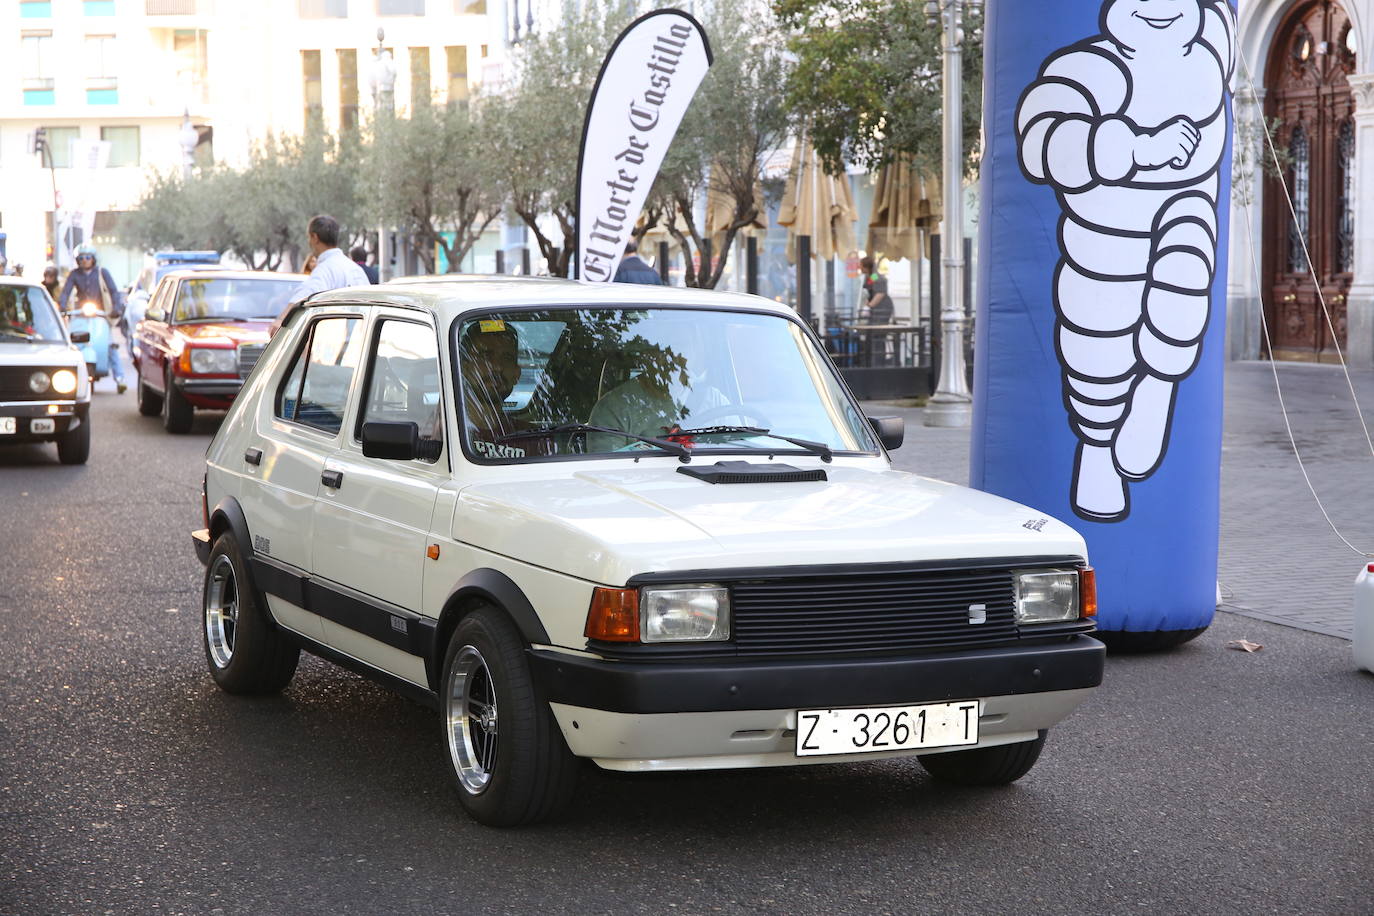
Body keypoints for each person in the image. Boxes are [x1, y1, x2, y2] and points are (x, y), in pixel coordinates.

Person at [274, 214, 369, 333]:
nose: (309, 242)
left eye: (309, 237)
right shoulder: (356, 270)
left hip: (335, 345)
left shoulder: (325, 270)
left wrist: (281, 320)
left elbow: (304, 296)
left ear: (315, 237)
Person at [58, 244, 127, 393]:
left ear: (93, 259)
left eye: (88, 257)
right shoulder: (74, 274)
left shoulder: (102, 273)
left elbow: (114, 292)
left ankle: (120, 378)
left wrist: (116, 308)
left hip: (101, 315)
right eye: (81, 258)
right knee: (73, 343)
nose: (84, 260)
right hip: (80, 314)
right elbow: (65, 292)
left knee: (110, 344)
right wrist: (62, 306)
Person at [458, 320, 530, 459]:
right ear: (464, 368)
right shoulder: (443, 434)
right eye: (485, 356)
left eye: (507, 358)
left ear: (517, 373)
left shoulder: (533, 438)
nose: (497, 366)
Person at [860, 256, 893, 324]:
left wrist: (869, 306)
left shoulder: (877, 277)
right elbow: (868, 288)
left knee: (877, 329)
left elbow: (880, 293)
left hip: (882, 308)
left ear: (867, 267)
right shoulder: (871, 277)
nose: (860, 268)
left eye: (861, 266)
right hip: (875, 309)